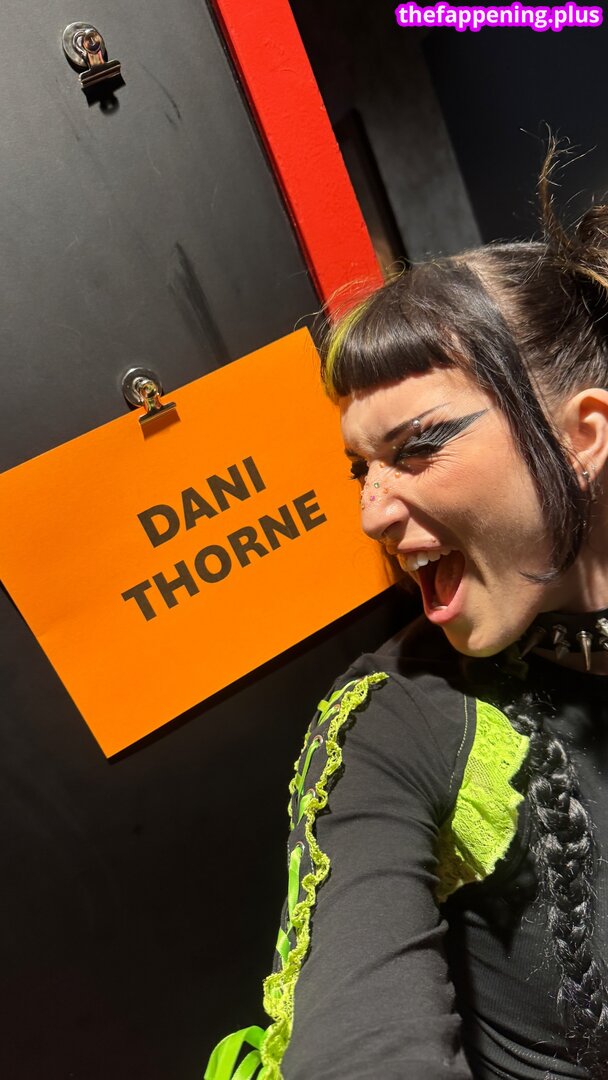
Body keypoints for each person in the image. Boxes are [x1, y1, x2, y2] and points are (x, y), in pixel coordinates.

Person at [204, 138, 608, 1080]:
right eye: (362, 469)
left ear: (584, 433)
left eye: (418, 446)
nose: (372, 513)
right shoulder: (392, 723)